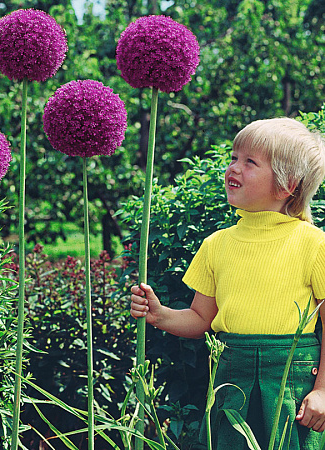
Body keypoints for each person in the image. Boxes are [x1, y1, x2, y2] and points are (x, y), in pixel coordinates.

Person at [130, 117, 325, 450]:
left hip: (293, 386)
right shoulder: (216, 245)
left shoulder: (313, 244)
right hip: (231, 378)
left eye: (250, 162)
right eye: (234, 157)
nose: (234, 167)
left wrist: (322, 391)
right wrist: (159, 315)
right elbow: (201, 319)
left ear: (287, 184)